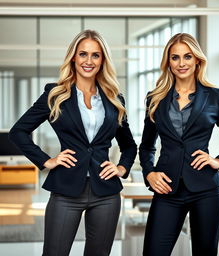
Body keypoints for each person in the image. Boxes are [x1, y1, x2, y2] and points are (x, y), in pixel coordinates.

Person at [9, 29, 137, 256]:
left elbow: (129, 145)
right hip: (66, 191)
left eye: (95, 55)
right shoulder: (55, 95)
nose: (89, 61)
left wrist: (121, 167)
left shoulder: (115, 99)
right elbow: (18, 131)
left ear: (102, 60)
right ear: (73, 57)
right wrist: (46, 160)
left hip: (106, 193)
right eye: (83, 54)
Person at [139, 33, 219, 256]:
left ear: (197, 59)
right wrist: (149, 174)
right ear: (168, 62)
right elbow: (147, 146)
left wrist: (218, 161)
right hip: (167, 189)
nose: (181, 63)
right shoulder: (155, 98)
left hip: (206, 190)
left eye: (187, 56)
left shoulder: (214, 97)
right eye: (175, 57)